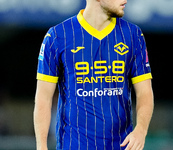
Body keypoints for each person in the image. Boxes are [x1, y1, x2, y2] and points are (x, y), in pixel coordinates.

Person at [34, 0, 154, 150]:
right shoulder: (57, 36)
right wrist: (41, 146)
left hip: (120, 146)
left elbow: (145, 92)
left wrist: (141, 130)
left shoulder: (133, 35)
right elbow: (43, 99)